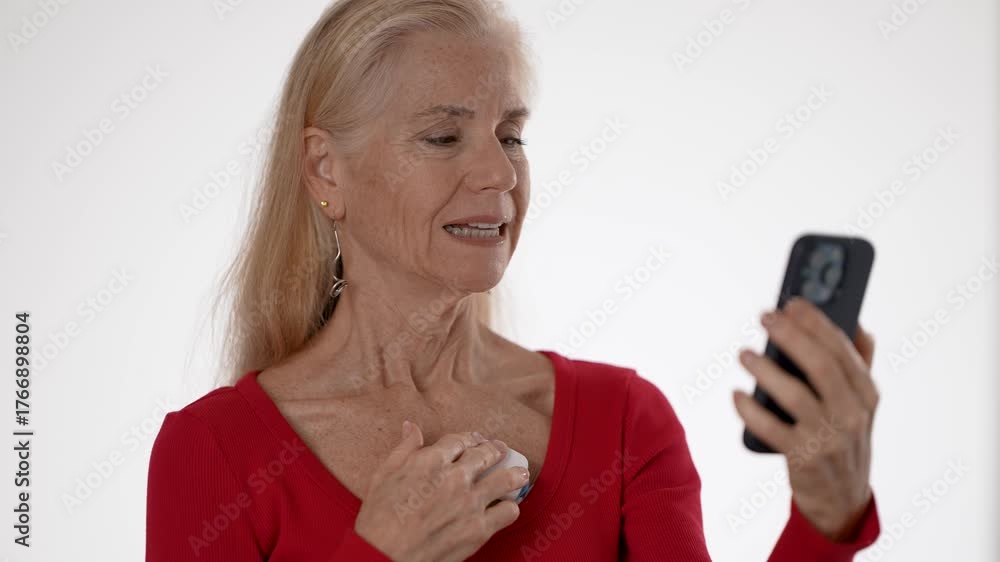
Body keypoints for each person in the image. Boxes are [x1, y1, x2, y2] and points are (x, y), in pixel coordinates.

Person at [145, 0, 881, 560]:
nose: (500, 173)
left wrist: (825, 522)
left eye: (511, 135)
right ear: (324, 169)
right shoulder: (213, 452)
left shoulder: (627, 423)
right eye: (443, 136)